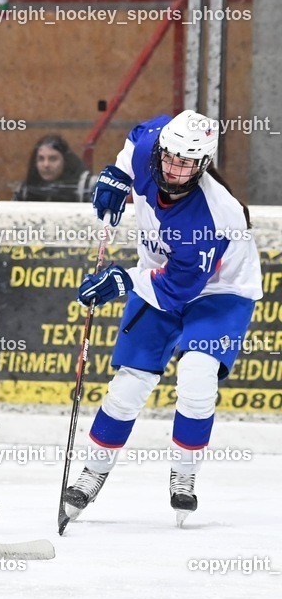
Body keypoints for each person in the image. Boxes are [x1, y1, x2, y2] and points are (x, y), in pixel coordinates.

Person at [65, 110, 261, 526]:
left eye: (187, 164)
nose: (174, 170)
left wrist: (122, 280)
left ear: (203, 165)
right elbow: (137, 135)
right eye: (170, 158)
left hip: (221, 291)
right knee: (130, 382)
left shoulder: (214, 214)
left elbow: (179, 287)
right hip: (162, 272)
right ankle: (92, 473)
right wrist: (116, 174)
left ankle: (185, 476)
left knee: (197, 374)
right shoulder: (151, 147)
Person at [14, 134, 92, 202]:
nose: (46, 165)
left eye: (53, 159)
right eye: (41, 159)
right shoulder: (25, 190)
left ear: (65, 161)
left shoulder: (87, 187)